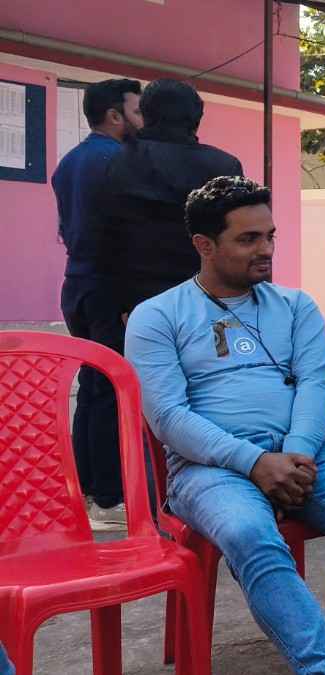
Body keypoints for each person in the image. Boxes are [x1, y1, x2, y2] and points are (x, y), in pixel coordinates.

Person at [125, 176, 325, 674]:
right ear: (204, 245)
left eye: (269, 236)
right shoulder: (158, 316)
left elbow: (316, 386)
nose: (266, 249)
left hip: (302, 452)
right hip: (208, 467)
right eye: (248, 239)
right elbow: (167, 417)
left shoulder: (293, 306)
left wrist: (296, 454)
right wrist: (253, 463)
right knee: (249, 530)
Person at [52, 77, 143, 527]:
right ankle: (108, 498)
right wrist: (129, 297)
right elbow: (121, 234)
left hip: (77, 284)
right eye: (137, 111)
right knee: (109, 390)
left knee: (92, 388)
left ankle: (86, 492)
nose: (143, 120)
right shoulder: (120, 162)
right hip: (109, 287)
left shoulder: (68, 163)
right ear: (114, 115)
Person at [97, 78, 242, 314]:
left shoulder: (118, 163)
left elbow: (105, 238)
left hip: (138, 299)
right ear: (196, 118)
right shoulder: (223, 166)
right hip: (206, 299)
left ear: (145, 114)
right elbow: (238, 238)